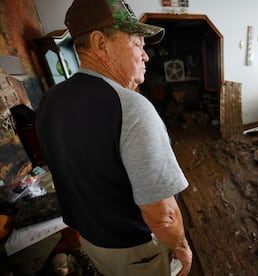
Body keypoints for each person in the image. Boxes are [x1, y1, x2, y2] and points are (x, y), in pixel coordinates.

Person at [35, 0, 192, 275]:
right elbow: (162, 217)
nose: (146, 56)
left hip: (91, 241)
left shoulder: (50, 100)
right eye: (137, 44)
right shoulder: (131, 107)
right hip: (134, 251)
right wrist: (181, 247)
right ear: (100, 43)